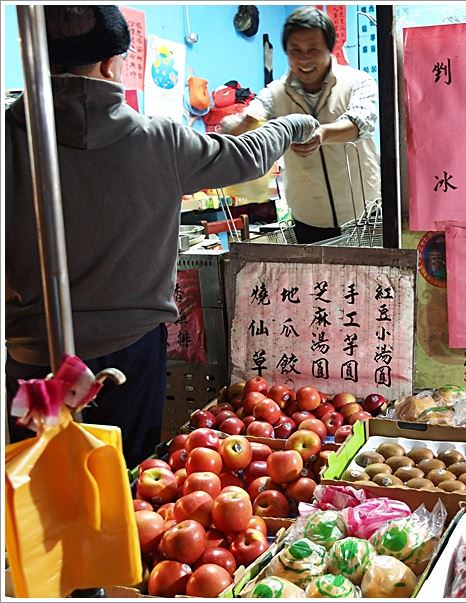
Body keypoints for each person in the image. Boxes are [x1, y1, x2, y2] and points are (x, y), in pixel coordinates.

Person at [5, 5, 319, 467]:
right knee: (126, 480)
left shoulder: (8, 137)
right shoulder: (157, 139)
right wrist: (295, 123)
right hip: (125, 360)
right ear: (112, 63)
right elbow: (246, 155)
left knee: (37, 488)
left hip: (32, 361)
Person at [226, 6, 381, 244]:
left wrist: (322, 134)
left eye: (313, 50)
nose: (304, 59)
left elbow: (361, 122)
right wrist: (230, 127)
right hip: (309, 220)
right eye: (295, 50)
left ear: (329, 49)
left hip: (365, 215)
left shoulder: (357, 82)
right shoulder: (276, 93)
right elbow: (251, 118)